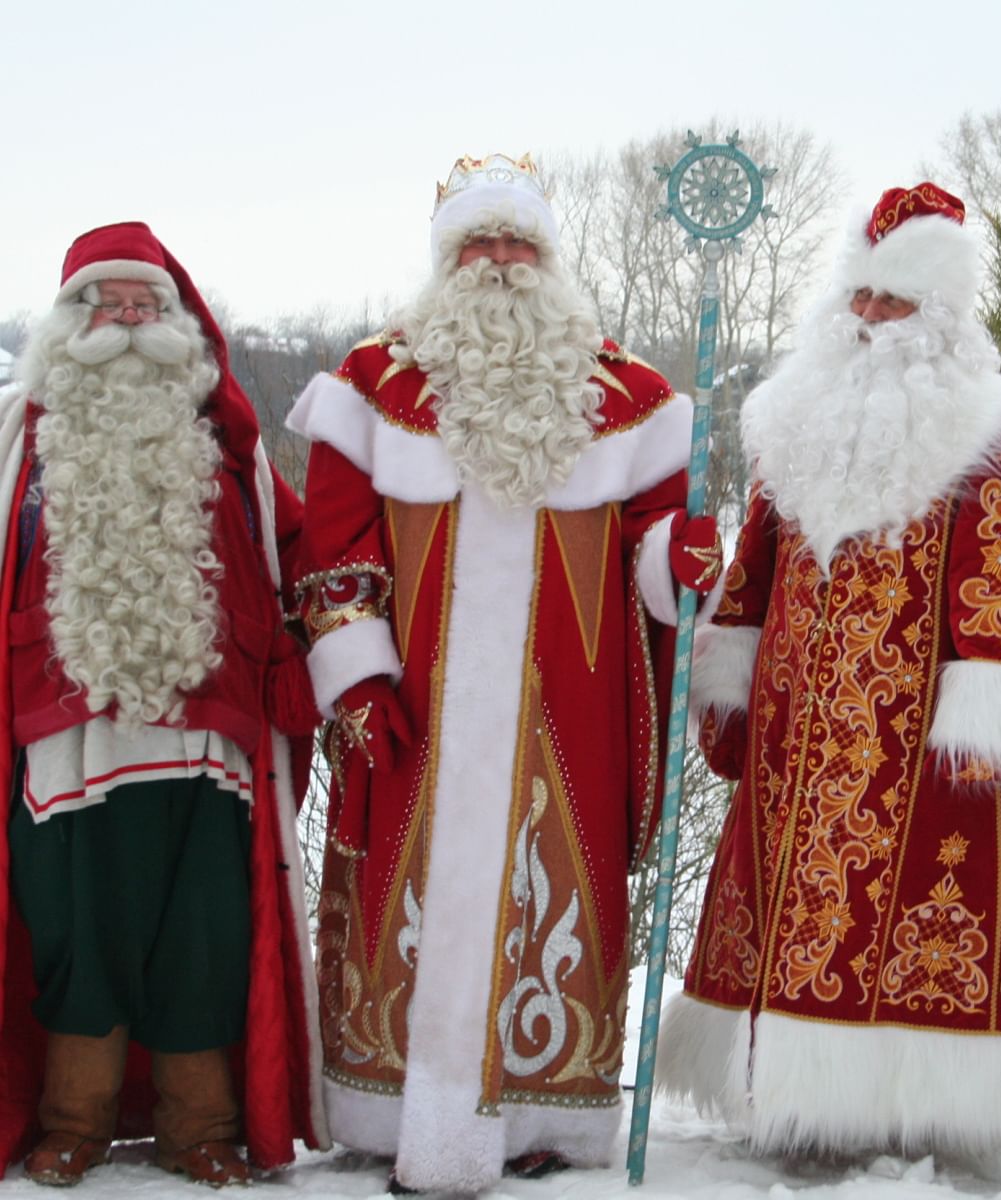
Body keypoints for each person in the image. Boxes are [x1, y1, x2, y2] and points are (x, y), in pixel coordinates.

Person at [287, 153, 719, 1195]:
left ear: (550, 257)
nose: (497, 261)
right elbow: (335, 554)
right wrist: (356, 682)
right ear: (445, 260)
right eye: (477, 243)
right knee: (410, 891)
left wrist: (685, 558)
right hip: (414, 709)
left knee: (554, 898)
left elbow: (656, 560)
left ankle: (543, 1118)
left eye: (516, 242)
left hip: (562, 717)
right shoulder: (370, 387)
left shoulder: (636, 400)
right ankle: (389, 1115)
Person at [656, 182, 1001, 1164]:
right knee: (795, 903)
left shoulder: (988, 423)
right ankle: (794, 1100)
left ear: (938, 314)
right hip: (798, 718)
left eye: (898, 303)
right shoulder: (783, 413)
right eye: (864, 298)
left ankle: (900, 1108)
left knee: (905, 911)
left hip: (914, 720)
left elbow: (999, 575)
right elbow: (753, 558)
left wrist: (986, 706)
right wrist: (722, 655)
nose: (876, 319)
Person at [0, 223, 326, 1187]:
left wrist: (324, 651)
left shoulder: (232, 453)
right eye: (110, 303)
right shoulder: (19, 442)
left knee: (206, 932)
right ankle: (73, 1118)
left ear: (178, 322)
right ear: (72, 321)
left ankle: (201, 1126)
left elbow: (303, 561)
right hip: (66, 734)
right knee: (71, 928)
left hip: (206, 738)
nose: (130, 320)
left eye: (147, 305)